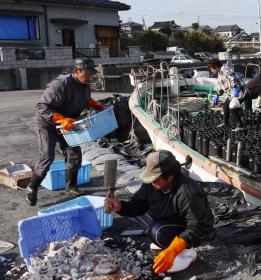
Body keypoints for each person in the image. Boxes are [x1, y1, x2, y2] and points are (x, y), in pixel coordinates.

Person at [104, 150, 214, 274]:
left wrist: (173, 250)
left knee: (158, 232)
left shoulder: (188, 192)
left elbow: (197, 227)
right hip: (169, 218)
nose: (152, 182)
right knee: (155, 230)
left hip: (194, 228)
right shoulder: (152, 185)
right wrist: (120, 207)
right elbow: (138, 204)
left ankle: (188, 253)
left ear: (170, 175)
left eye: (155, 179)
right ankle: (167, 242)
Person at [26, 59, 104, 206]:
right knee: (47, 157)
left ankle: (71, 186)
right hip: (47, 124)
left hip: (68, 124)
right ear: (76, 71)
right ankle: (32, 186)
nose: (90, 77)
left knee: (75, 154)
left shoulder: (85, 85)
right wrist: (61, 119)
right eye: (87, 73)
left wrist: (93, 103)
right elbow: (41, 107)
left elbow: (83, 98)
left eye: (92, 73)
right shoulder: (60, 84)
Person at [208, 58, 244, 131]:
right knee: (225, 106)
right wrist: (217, 95)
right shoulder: (220, 73)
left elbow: (233, 80)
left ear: (215, 66)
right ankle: (226, 123)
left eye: (211, 69)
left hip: (239, 92)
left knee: (232, 108)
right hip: (231, 94)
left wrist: (235, 93)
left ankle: (240, 126)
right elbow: (220, 86)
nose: (211, 71)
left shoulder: (225, 70)